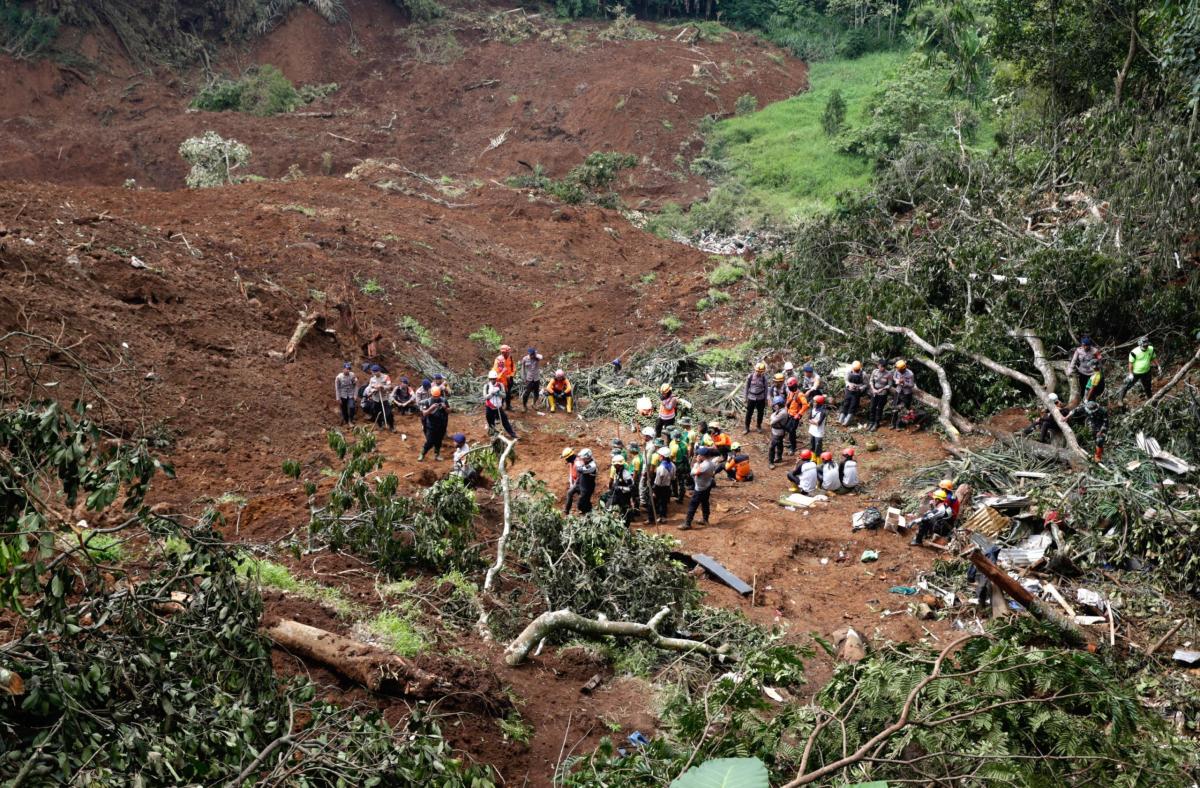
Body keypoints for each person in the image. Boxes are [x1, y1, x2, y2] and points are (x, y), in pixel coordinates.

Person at [682, 447, 717, 530]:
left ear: (703, 456)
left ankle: (687, 523)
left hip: (700, 488)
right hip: (707, 485)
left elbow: (693, 473)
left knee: (693, 505)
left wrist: (697, 463)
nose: (698, 455)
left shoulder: (704, 465)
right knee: (705, 502)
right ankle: (705, 519)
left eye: (699, 454)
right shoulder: (711, 463)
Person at [1119, 336, 1160, 401]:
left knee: (1148, 387)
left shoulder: (1151, 349)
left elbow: (1153, 357)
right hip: (1136, 372)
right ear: (1140, 345)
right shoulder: (1134, 352)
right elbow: (1130, 363)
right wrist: (1130, 374)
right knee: (1127, 385)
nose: (1145, 347)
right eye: (1144, 346)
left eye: (1146, 345)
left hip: (1147, 372)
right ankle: (1120, 400)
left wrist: (1158, 366)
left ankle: (1151, 400)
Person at [418, 385, 449, 461]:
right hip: (431, 425)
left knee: (439, 440)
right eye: (435, 396)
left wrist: (445, 407)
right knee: (430, 441)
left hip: (441, 425)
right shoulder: (427, 402)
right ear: (431, 395)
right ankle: (422, 453)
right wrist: (430, 409)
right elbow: (424, 413)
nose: (436, 398)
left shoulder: (443, 400)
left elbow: (449, 411)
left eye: (438, 396)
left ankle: (437, 454)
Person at [484, 370, 517, 439]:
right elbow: (485, 397)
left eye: (494, 379)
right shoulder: (486, 386)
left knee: (505, 420)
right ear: (489, 379)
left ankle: (512, 434)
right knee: (491, 422)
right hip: (489, 407)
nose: (493, 380)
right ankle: (492, 434)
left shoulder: (500, 385)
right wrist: (491, 393)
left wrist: (498, 392)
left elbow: (504, 395)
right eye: (491, 379)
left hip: (498, 407)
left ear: (496, 379)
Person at [1067, 337, 1099, 402]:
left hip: (1092, 373)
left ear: (1089, 345)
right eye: (1083, 345)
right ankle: (1081, 400)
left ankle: (1090, 400)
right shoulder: (1079, 350)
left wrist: (1096, 363)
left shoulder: (1095, 351)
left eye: (1085, 345)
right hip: (1082, 372)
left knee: (1090, 387)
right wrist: (1070, 368)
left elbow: (1100, 359)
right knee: (1082, 386)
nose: (1084, 347)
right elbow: (1074, 360)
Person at [363, 364, 394, 431]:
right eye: (373, 372)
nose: (374, 373)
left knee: (389, 413)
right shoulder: (372, 379)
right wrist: (374, 389)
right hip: (375, 399)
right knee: (376, 413)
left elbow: (390, 387)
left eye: (376, 371)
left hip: (384, 398)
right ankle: (380, 425)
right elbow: (370, 389)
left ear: (379, 371)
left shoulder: (386, 377)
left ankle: (391, 426)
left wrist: (382, 387)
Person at [784, 377, 809, 454]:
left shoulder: (800, 394)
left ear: (794, 386)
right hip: (789, 414)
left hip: (795, 416)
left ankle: (793, 447)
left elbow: (805, 405)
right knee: (787, 429)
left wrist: (799, 414)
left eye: (790, 386)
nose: (789, 388)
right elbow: (787, 402)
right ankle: (792, 443)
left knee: (791, 431)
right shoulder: (790, 393)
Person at [608, 455, 636, 524]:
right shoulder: (617, 472)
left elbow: (631, 488)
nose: (614, 466)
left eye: (616, 465)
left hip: (625, 496)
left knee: (625, 510)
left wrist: (620, 488)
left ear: (620, 465)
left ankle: (627, 522)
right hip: (618, 494)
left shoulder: (626, 474)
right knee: (609, 505)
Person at [744, 362, 769, 433]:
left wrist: (766, 399)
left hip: (761, 398)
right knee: (749, 413)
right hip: (751, 397)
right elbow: (746, 387)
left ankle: (758, 426)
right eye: (757, 371)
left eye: (760, 372)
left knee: (760, 413)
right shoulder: (750, 376)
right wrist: (745, 397)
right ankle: (746, 427)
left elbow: (766, 389)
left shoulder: (764, 378)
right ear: (755, 370)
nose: (759, 373)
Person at [867, 359, 891, 432]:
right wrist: (873, 388)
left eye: (884, 367)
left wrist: (882, 389)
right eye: (881, 366)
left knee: (879, 408)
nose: (882, 368)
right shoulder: (875, 371)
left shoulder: (888, 374)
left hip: (882, 393)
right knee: (872, 407)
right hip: (874, 391)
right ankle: (871, 422)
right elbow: (871, 380)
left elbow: (889, 384)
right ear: (878, 365)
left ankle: (876, 423)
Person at [840, 361, 866, 426]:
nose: (855, 371)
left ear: (859, 368)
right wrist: (849, 385)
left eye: (857, 370)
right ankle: (841, 419)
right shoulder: (849, 372)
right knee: (845, 404)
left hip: (857, 392)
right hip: (848, 390)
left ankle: (847, 421)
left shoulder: (863, 374)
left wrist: (860, 388)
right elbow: (846, 380)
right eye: (855, 370)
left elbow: (866, 384)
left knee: (853, 406)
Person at [891, 360, 915, 430]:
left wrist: (904, 383)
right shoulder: (897, 370)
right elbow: (894, 377)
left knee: (904, 410)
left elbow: (912, 385)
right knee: (895, 407)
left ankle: (899, 425)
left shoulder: (910, 374)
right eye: (898, 370)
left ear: (904, 368)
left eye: (900, 370)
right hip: (898, 391)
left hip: (906, 393)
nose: (899, 371)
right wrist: (897, 381)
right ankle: (892, 424)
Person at [652, 446, 675, 520]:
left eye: (659, 455)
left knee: (652, 502)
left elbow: (657, 481)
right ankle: (663, 517)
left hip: (659, 487)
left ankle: (651, 518)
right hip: (667, 486)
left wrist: (654, 491)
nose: (658, 456)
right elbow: (673, 477)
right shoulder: (673, 465)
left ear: (662, 456)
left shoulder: (660, 468)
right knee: (664, 502)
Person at [492, 345, 516, 410]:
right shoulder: (498, 359)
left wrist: (511, 375)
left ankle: (508, 406)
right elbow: (495, 370)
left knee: (508, 393)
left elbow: (513, 368)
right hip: (501, 380)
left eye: (505, 352)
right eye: (503, 352)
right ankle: (500, 407)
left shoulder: (510, 358)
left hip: (509, 379)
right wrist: (499, 378)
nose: (504, 353)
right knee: (501, 394)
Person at [669, 428, 690, 503]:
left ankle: (675, 493)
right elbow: (687, 454)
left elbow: (671, 458)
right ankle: (680, 496)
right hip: (683, 464)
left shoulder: (674, 447)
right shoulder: (684, 443)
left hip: (676, 464)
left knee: (673, 479)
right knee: (681, 481)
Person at [575, 448, 598, 514]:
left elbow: (580, 469)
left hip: (588, 487)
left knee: (582, 502)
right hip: (584, 484)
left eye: (583, 458)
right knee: (586, 501)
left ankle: (589, 513)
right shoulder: (588, 461)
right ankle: (588, 512)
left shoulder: (592, 466)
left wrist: (577, 462)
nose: (582, 459)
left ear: (587, 458)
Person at [768, 396, 788, 468]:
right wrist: (773, 416)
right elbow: (773, 417)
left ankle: (771, 462)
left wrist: (772, 416)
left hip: (778, 432)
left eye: (775, 404)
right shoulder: (780, 410)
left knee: (772, 447)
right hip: (776, 431)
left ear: (778, 404)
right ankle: (779, 457)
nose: (774, 406)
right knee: (779, 444)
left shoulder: (782, 413)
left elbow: (772, 421)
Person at [562, 447, 581, 514]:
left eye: (566, 458)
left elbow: (580, 475)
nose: (565, 460)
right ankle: (567, 510)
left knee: (570, 493)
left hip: (581, 483)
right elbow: (571, 473)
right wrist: (571, 484)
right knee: (571, 493)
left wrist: (575, 485)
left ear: (570, 457)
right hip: (577, 482)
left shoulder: (578, 463)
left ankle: (567, 511)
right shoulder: (571, 462)